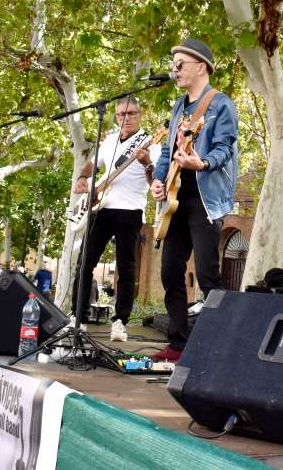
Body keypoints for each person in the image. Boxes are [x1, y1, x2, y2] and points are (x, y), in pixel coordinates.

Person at [150, 38, 239, 362]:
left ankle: (221, 345)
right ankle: (178, 343)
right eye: (173, 64)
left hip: (205, 198)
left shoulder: (220, 104)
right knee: (170, 272)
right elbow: (167, 152)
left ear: (200, 67)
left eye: (180, 64)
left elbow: (225, 147)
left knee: (207, 274)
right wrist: (159, 181)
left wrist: (201, 163)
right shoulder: (177, 107)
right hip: (176, 197)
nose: (174, 70)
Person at [74, 95, 161, 343]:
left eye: (132, 113)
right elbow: (93, 163)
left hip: (130, 210)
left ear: (140, 115)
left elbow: (154, 181)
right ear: (115, 116)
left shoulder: (151, 144)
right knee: (85, 263)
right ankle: (77, 317)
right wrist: (82, 177)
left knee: (126, 267)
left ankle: (120, 322)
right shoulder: (110, 140)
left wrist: (146, 164)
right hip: (101, 208)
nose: (127, 118)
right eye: (122, 114)